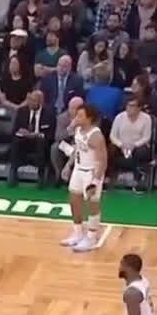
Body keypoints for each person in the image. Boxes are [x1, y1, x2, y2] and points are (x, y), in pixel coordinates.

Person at [61, 103, 107, 252]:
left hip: (91, 173)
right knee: (74, 201)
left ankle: (91, 237)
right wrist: (68, 165)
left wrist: (95, 181)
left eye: (80, 115)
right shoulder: (78, 130)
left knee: (92, 204)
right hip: (78, 169)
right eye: (77, 115)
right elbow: (77, 150)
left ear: (89, 118)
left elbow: (103, 161)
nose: (77, 118)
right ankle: (78, 233)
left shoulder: (96, 136)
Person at [9, 89, 55, 186]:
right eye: (29, 100)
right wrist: (21, 132)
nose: (30, 103)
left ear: (40, 101)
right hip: (24, 139)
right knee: (16, 141)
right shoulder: (21, 111)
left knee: (41, 142)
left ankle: (41, 176)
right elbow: (14, 130)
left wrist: (37, 134)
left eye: (34, 101)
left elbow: (50, 135)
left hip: (40, 141)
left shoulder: (49, 113)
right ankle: (13, 172)